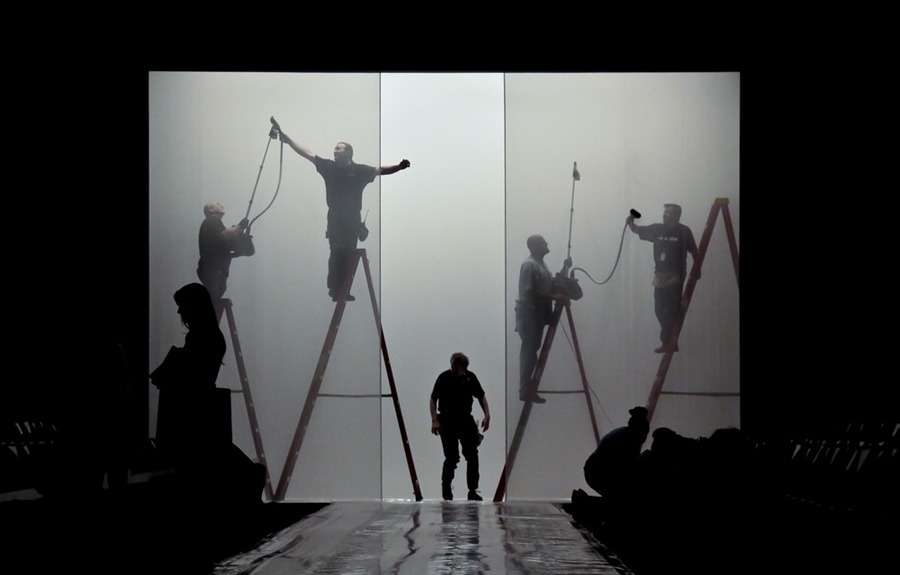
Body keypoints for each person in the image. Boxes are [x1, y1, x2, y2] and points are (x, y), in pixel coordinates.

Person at [276, 121, 411, 301]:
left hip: (353, 218)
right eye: (335, 148)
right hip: (335, 217)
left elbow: (381, 170)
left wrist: (399, 167)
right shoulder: (328, 167)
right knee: (336, 251)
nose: (334, 151)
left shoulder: (359, 170)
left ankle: (343, 289)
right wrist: (289, 140)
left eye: (338, 149)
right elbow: (307, 153)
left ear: (348, 152)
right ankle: (335, 289)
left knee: (348, 254)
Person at [150, 283, 227, 472]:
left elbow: (190, 375)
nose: (179, 311)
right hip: (199, 410)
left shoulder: (199, 338)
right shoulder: (211, 336)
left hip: (190, 413)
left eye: (182, 305)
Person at [626, 203, 699, 353]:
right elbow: (638, 230)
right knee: (659, 309)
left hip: (676, 275)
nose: (664, 215)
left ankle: (668, 342)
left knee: (671, 309)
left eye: (668, 213)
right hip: (659, 275)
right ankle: (670, 340)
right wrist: (630, 222)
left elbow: (694, 251)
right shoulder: (657, 229)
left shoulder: (684, 232)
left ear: (677, 216)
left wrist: (697, 269)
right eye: (664, 213)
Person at [514, 234, 571, 403]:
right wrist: (555, 297)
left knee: (532, 351)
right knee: (529, 353)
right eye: (543, 242)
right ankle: (525, 390)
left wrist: (564, 268)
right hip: (529, 316)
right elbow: (529, 292)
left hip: (537, 316)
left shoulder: (541, 264)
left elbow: (548, 284)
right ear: (534, 246)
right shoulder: (529, 265)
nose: (547, 244)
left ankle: (529, 389)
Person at [430, 352, 491, 501]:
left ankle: (472, 490)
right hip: (447, 420)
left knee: (472, 455)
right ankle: (446, 488)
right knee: (451, 457)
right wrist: (434, 420)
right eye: (454, 367)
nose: (456, 370)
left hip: (465, 420)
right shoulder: (444, 378)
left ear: (464, 367)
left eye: (459, 368)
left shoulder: (470, 378)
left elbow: (481, 396)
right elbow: (433, 399)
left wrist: (487, 415)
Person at [582, 406, 650, 501]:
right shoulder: (629, 441)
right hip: (598, 473)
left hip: (595, 472)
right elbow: (627, 468)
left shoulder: (625, 435)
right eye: (645, 433)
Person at [197, 202, 249, 301]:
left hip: (215, 270)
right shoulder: (212, 220)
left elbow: (218, 249)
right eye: (217, 204)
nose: (221, 205)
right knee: (213, 301)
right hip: (213, 270)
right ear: (211, 210)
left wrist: (234, 254)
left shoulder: (212, 224)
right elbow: (225, 235)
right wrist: (240, 226)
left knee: (214, 299)